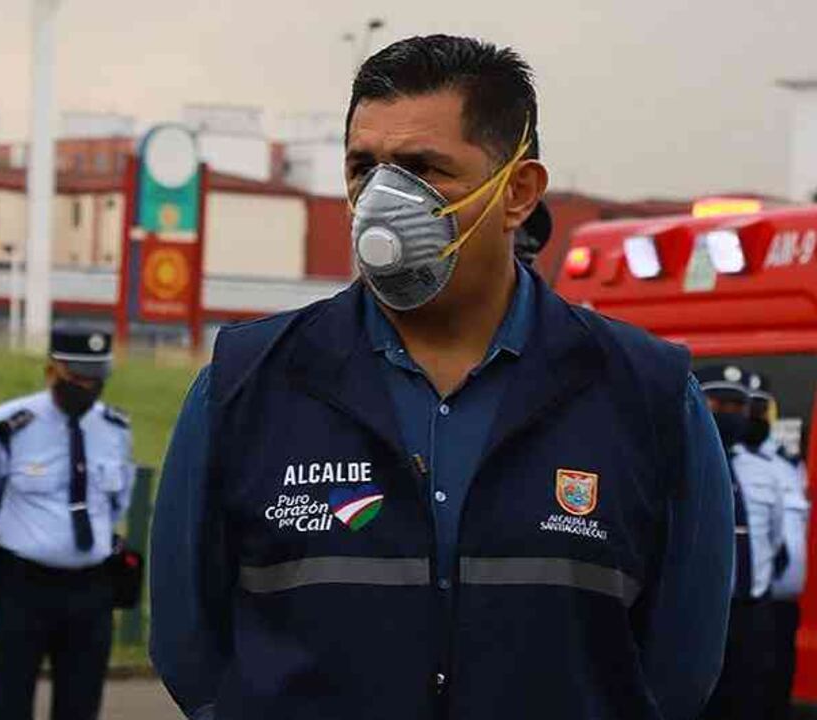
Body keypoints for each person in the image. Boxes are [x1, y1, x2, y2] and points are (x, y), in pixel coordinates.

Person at [150, 35, 734, 720]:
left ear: (517, 192)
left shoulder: (643, 392)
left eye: (424, 168)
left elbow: (680, 666)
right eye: (363, 167)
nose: (382, 198)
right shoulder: (250, 382)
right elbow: (190, 646)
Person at [0, 326, 135, 720]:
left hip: (91, 591)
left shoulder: (114, 429)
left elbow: (116, 502)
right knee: (9, 702)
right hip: (20, 587)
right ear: (52, 371)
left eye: (96, 380)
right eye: (77, 378)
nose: (88, 388)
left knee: (81, 705)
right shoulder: (8, 426)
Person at [699, 364, 778, 720]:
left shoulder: (764, 469)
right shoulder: (673, 462)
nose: (730, 415)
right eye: (719, 404)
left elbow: (773, 539)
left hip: (750, 613)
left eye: (737, 407)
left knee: (748, 702)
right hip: (699, 613)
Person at [744, 372, 810, 719]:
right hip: (751, 602)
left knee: (775, 695)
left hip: (784, 607)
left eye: (760, 408)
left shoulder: (786, 463)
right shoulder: (735, 462)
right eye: (748, 408)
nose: (755, 416)